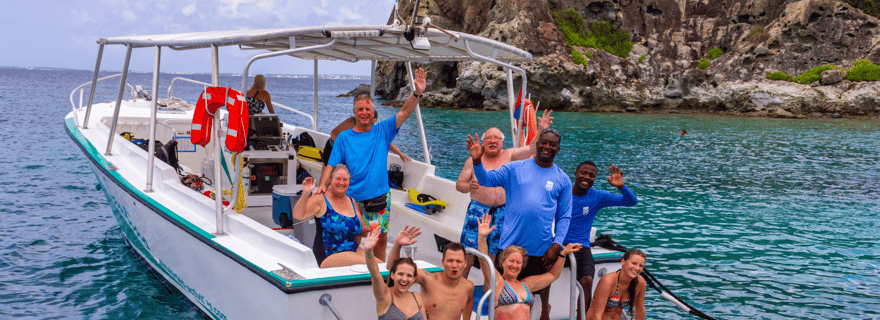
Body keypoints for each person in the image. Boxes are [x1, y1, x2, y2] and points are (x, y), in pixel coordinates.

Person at [320, 68, 427, 261]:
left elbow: (404, 112)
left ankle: (377, 273)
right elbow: (331, 165)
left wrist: (417, 92)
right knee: (352, 238)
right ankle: (355, 273)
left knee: (381, 239)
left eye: (367, 109)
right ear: (354, 113)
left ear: (372, 112)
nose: (364, 112)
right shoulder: (344, 138)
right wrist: (322, 186)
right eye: (360, 109)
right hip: (351, 199)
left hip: (378, 199)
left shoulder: (383, 131)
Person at [467, 127, 572, 320]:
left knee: (528, 298)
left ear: (558, 149)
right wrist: (476, 161)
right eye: (544, 142)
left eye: (552, 144)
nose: (547, 147)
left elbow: (564, 217)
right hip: (509, 248)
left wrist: (557, 245)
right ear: (537, 144)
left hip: (540, 250)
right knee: (498, 296)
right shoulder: (514, 168)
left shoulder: (563, 179)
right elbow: (486, 180)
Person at [456, 109, 553, 279]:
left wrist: (542, 129)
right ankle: (459, 291)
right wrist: (469, 187)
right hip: (477, 211)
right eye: (489, 138)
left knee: (494, 254)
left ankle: (492, 290)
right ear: (484, 143)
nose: (492, 141)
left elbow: (531, 148)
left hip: (502, 212)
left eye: (497, 138)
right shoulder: (472, 161)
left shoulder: (510, 155)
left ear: (502, 142)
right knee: (469, 254)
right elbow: (459, 185)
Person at [564, 162, 638, 317]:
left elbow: (631, 201)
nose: (586, 177)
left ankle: (581, 317)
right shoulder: (563, 192)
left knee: (587, 280)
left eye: (591, 175)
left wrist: (621, 187)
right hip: (558, 243)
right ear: (576, 173)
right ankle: (544, 311)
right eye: (583, 173)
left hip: (581, 246)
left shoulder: (597, 196)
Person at [477, 213, 582, 320]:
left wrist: (563, 254)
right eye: (511, 261)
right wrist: (482, 237)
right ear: (502, 262)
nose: (514, 265)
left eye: (518, 262)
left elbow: (553, 275)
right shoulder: (498, 282)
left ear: (522, 266)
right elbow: (484, 260)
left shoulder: (527, 284)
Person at [291, 165, 379, 268]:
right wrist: (306, 193)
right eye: (338, 179)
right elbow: (298, 215)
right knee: (375, 266)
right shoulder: (321, 199)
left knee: (384, 266)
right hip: (329, 254)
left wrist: (371, 230)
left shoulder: (352, 201)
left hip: (352, 250)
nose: (341, 182)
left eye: (345, 179)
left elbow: (361, 230)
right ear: (331, 180)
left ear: (349, 182)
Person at [387, 225, 474, 320]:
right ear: (443, 262)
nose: (454, 265)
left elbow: (469, 301)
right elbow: (394, 269)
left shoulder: (468, 286)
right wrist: (397, 245)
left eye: (458, 261)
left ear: (465, 263)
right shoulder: (428, 279)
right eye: (450, 261)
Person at [365, 227, 427, 320]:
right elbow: (375, 274)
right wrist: (368, 252)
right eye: (400, 274)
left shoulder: (417, 298)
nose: (404, 279)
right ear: (392, 275)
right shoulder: (385, 296)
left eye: (409, 275)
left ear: (414, 279)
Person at [322, 110, 411, 165]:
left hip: (348, 156)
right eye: (370, 122)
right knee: (327, 178)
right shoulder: (352, 121)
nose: (371, 125)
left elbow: (384, 141)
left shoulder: (370, 129)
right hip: (332, 149)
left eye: (373, 123)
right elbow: (334, 133)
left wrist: (400, 154)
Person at [586, 249, 646, 320]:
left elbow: (640, 310)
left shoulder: (640, 283)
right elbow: (596, 315)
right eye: (634, 263)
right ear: (623, 262)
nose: (637, 268)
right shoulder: (608, 281)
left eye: (640, 266)